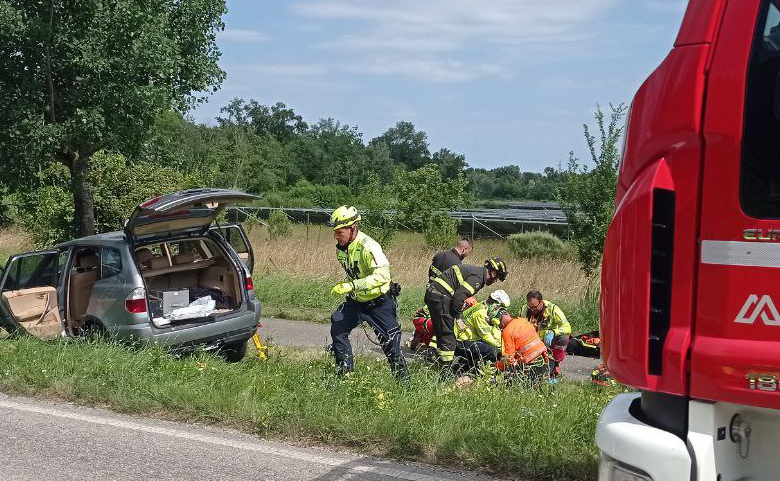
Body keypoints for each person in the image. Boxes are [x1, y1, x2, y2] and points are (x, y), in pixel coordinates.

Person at [327, 205, 408, 380]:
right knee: (338, 327)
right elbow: (354, 273)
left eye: (340, 232)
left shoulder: (369, 247)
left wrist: (353, 286)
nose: (336, 236)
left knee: (391, 346)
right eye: (335, 232)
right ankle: (345, 375)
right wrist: (348, 284)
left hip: (379, 303)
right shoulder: (341, 248)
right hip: (357, 302)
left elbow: (382, 277)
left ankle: (404, 385)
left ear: (353, 228)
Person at [424, 257, 508, 377]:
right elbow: (459, 297)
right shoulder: (478, 278)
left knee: (442, 331)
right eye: (497, 277)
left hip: (434, 295)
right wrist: (458, 318)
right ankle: (446, 373)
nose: (495, 281)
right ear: (493, 272)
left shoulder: (475, 272)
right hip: (441, 297)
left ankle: (437, 361)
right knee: (448, 336)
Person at [454, 289, 512, 374]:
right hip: (461, 341)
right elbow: (486, 336)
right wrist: (502, 346)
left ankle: (462, 369)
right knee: (494, 352)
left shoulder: (484, 307)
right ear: (496, 303)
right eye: (501, 307)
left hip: (469, 339)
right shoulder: (481, 313)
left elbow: (493, 329)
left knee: (488, 348)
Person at [521, 290, 571, 380]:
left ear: (541, 302)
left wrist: (553, 332)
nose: (532, 310)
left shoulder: (552, 309)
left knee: (563, 339)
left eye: (535, 307)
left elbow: (567, 327)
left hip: (549, 340)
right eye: (530, 307)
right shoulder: (525, 309)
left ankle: (555, 365)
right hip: (533, 341)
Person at [497, 316, 549, 385]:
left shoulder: (507, 331)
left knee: (510, 381)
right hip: (543, 358)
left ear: (501, 324)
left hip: (531, 363)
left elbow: (509, 359)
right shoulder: (523, 321)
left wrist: (497, 366)